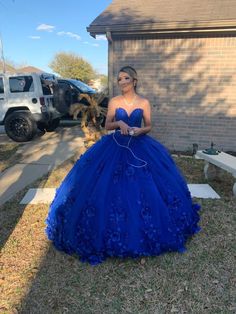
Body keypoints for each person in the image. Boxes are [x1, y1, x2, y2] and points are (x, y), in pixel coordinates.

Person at [45, 66, 201, 265]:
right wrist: (120, 125)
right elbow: (107, 125)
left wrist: (138, 130)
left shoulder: (143, 102)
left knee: (144, 186)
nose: (122, 82)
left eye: (126, 78)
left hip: (140, 146)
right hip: (115, 146)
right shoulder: (114, 102)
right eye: (119, 79)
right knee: (107, 185)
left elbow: (148, 126)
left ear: (134, 81)